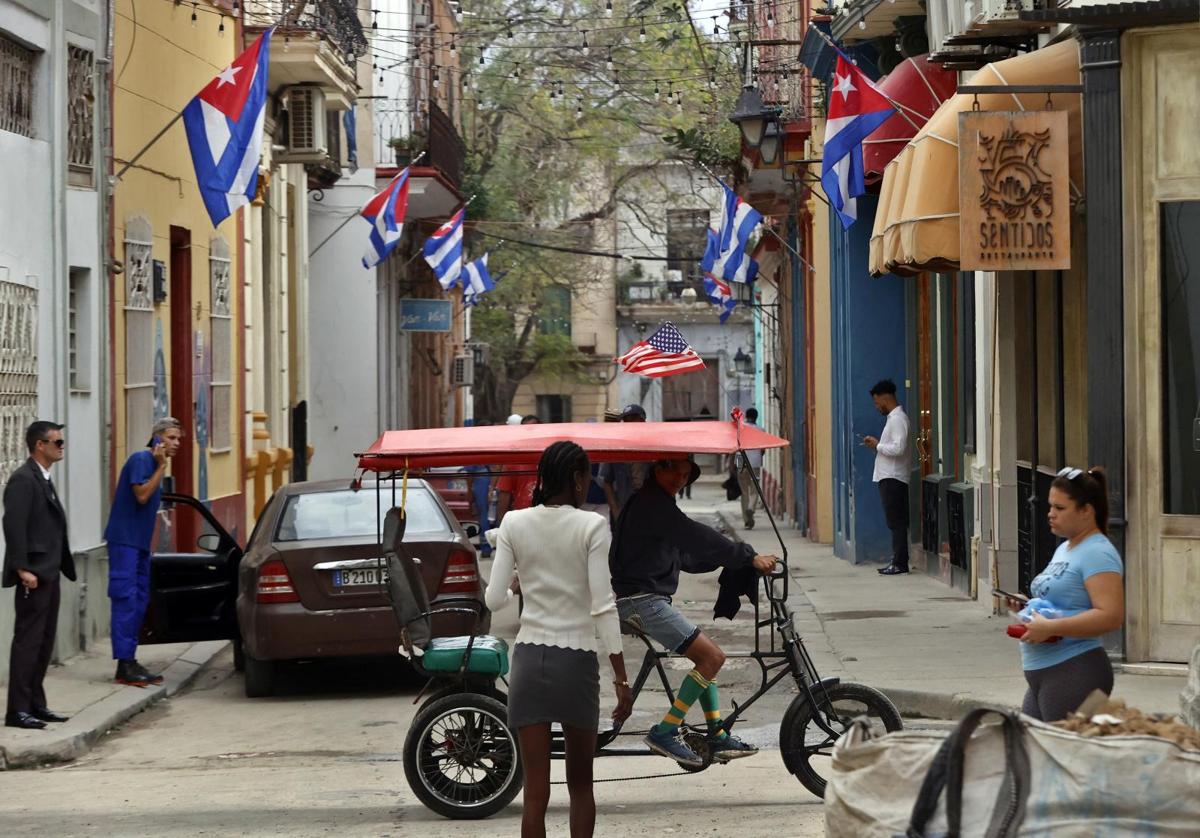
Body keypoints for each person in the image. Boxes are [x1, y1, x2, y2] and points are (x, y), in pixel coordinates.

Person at [486, 441, 633, 838]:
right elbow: (603, 606)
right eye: (586, 476)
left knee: (535, 793)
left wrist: (521, 585)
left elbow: (493, 598)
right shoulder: (592, 526)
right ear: (576, 479)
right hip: (576, 662)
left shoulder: (514, 524)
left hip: (530, 662)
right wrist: (621, 680)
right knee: (581, 787)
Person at [610, 456, 777, 766]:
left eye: (686, 475)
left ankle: (716, 733)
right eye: (675, 473)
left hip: (644, 598)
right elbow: (693, 534)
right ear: (657, 469)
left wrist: (731, 560)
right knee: (712, 657)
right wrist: (746, 555)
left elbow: (684, 555)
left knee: (706, 658)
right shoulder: (652, 504)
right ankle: (666, 731)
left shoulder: (654, 504)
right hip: (641, 602)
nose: (680, 481)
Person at [1010, 467, 1124, 722]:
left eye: (1060, 508)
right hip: (1045, 671)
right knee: (1032, 751)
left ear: (1086, 511)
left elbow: (1111, 617)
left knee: (1058, 755)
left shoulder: (1098, 553)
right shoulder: (1066, 547)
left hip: (1074, 668)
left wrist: (1051, 627)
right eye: (1051, 506)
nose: (1050, 514)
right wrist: (1028, 607)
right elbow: (1065, 600)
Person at [3, 421, 76, 730]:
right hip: (33, 573)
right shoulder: (23, 480)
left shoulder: (42, 478)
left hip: (50, 571)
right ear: (39, 446)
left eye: (61, 441)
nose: (61, 446)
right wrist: (21, 568)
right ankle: (17, 710)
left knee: (45, 641)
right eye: (56, 442)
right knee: (28, 641)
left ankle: (36, 702)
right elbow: (13, 526)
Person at [104, 416, 184, 687]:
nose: (176, 443)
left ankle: (130, 658)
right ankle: (123, 664)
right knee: (125, 598)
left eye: (178, 439)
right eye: (171, 438)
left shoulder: (153, 463)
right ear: (158, 437)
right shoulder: (142, 460)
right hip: (124, 541)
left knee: (140, 599)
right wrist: (161, 467)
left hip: (139, 543)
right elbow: (141, 495)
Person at [862, 379, 911, 575]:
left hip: (894, 478)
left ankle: (900, 563)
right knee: (894, 521)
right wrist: (878, 447)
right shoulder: (893, 419)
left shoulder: (898, 419)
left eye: (876, 402)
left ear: (884, 398)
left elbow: (899, 448)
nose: (876, 407)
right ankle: (898, 560)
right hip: (889, 476)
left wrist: (878, 446)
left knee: (896, 522)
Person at [598, 404, 648, 521]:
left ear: (642, 421)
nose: (629, 424)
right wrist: (615, 510)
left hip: (650, 510)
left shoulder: (654, 447)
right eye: (626, 420)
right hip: (623, 510)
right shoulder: (617, 448)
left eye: (632, 419)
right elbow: (606, 481)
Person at [495, 414, 540, 523]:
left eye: (533, 429)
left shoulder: (553, 459)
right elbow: (504, 498)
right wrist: (503, 528)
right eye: (526, 430)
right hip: (521, 521)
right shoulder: (513, 462)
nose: (530, 434)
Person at [734, 407, 765, 528]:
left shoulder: (739, 429)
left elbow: (735, 446)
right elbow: (762, 450)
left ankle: (747, 521)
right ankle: (751, 508)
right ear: (756, 417)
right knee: (754, 490)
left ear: (746, 416)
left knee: (744, 492)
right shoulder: (760, 430)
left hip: (740, 463)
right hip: (755, 463)